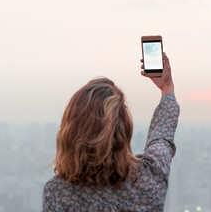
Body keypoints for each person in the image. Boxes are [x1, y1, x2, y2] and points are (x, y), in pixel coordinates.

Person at [42, 53, 180, 211]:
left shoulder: (57, 194)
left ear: (71, 132)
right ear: (124, 130)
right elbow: (161, 137)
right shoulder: (148, 180)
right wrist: (167, 88)